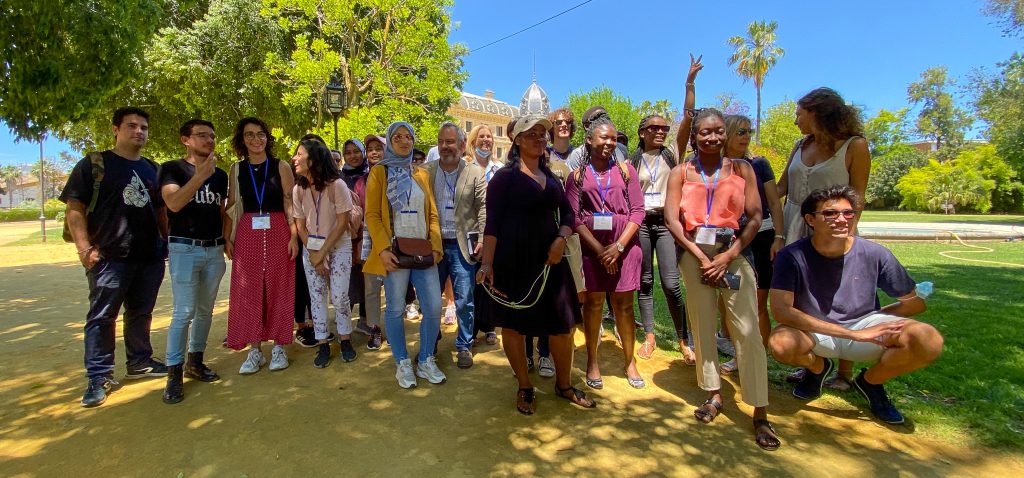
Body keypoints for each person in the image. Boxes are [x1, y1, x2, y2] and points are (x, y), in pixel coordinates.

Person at [769, 185, 942, 424]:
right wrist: (853, 333)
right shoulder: (791, 256)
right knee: (781, 343)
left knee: (928, 340)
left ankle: (871, 382)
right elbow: (781, 311)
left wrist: (875, 319)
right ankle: (818, 369)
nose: (842, 219)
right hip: (816, 331)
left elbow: (914, 304)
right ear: (810, 219)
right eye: (830, 213)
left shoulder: (875, 253)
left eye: (848, 213)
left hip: (865, 327)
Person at [664, 108, 779, 450]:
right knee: (702, 324)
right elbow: (672, 220)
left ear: (724, 135)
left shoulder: (742, 169)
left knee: (747, 330)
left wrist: (727, 257)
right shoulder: (681, 172)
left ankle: (760, 410)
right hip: (694, 255)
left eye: (717, 131)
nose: (711, 137)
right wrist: (701, 258)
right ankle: (714, 393)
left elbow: (755, 216)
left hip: (733, 252)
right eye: (704, 132)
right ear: (695, 136)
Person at [477, 115, 596, 414]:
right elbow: (492, 225)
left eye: (543, 133)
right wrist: (487, 265)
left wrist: (560, 239)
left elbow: (568, 214)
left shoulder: (552, 177)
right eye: (531, 133)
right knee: (514, 328)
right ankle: (524, 386)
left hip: (551, 262)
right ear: (517, 139)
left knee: (562, 327)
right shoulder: (504, 178)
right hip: (513, 262)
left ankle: (563, 385)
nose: (539, 138)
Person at [61, 107, 169, 408]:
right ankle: (99, 375)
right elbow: (74, 208)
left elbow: (161, 211)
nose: (139, 132)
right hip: (109, 256)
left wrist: (166, 243)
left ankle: (140, 361)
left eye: (143, 127)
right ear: (116, 129)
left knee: (141, 312)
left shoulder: (152, 168)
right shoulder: (95, 164)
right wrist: (84, 248)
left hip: (149, 257)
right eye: (132, 126)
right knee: (102, 316)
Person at [776, 87, 870, 389]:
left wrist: (847, 238)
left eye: (799, 114)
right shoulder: (800, 145)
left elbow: (858, 196)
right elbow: (780, 189)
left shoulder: (854, 146)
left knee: (841, 296)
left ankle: (845, 373)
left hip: (834, 229)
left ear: (815, 112)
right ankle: (813, 362)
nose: (796, 121)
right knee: (802, 296)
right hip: (795, 225)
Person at [629, 54, 703, 364]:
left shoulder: (673, 153)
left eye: (664, 127)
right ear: (642, 132)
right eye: (654, 128)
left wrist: (689, 84)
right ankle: (649, 336)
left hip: (667, 224)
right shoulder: (631, 162)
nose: (661, 131)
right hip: (642, 223)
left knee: (672, 284)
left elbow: (688, 119)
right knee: (645, 281)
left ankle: (684, 339)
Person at [364, 121, 446, 388]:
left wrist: (436, 247)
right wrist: (382, 249)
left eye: (408, 136)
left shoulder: (421, 173)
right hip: (394, 252)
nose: (403, 141)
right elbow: (372, 215)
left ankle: (425, 359)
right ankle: (402, 361)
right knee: (396, 308)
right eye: (397, 137)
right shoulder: (379, 172)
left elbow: (432, 214)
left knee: (433, 307)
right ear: (389, 141)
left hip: (423, 251)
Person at [567, 117, 646, 390]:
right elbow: (574, 217)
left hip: (625, 247)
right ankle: (592, 360)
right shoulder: (577, 176)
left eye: (613, 138)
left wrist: (619, 247)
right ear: (589, 140)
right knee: (593, 304)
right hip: (593, 250)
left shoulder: (626, 171)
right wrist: (601, 250)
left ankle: (630, 361)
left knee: (624, 306)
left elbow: (638, 211)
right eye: (604, 137)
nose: (609, 143)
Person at [159, 119, 228, 404]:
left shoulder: (220, 175)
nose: (209, 140)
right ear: (185, 139)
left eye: (212, 136)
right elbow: (173, 203)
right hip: (185, 248)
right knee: (183, 312)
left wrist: (227, 241)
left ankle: (195, 361)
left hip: (214, 249)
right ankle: (173, 373)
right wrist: (200, 176)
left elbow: (222, 211)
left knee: (205, 310)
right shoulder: (172, 169)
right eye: (201, 135)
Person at [225, 117, 298, 374]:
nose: (256, 139)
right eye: (249, 134)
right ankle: (254, 349)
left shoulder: (281, 166)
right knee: (248, 289)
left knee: (280, 285)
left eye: (260, 134)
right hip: (248, 229)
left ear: (267, 137)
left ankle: (279, 346)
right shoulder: (236, 169)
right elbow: (232, 205)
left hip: (278, 227)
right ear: (242, 139)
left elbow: (290, 202)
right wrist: (227, 237)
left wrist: (294, 236)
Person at [717, 114, 786, 375]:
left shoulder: (760, 164)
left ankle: (758, 359)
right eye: (741, 131)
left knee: (757, 301)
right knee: (730, 300)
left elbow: (774, 202)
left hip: (762, 237)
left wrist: (779, 237)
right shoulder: (716, 165)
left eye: (749, 131)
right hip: (729, 238)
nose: (746, 137)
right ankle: (738, 354)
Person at [423, 122, 487, 369]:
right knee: (430, 301)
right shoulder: (426, 172)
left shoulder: (475, 173)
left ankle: (464, 345)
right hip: (433, 246)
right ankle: (430, 344)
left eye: (449, 142)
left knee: (464, 299)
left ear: (461, 145)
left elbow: (483, 209)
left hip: (462, 247)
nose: (444, 146)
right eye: (441, 142)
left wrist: (482, 239)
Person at [293, 139, 357, 368]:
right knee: (316, 296)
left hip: (338, 247)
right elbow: (300, 225)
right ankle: (322, 343)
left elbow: (342, 223)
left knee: (339, 296)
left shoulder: (337, 185)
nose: (294, 159)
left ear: (313, 159)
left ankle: (345, 338)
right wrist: (314, 254)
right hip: (311, 249)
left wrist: (322, 253)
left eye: (299, 154)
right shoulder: (298, 189)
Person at [342, 139, 381, 349]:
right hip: (355, 238)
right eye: (348, 152)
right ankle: (348, 327)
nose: (353, 156)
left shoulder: (377, 175)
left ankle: (371, 323)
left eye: (357, 151)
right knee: (355, 284)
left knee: (375, 284)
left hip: (382, 237)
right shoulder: (346, 180)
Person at [465, 124, 501, 345]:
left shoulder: (499, 169)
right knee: (471, 280)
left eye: (489, 136)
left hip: (494, 230)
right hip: (470, 231)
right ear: (473, 141)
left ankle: (489, 326)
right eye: (481, 136)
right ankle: (471, 328)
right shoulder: (464, 167)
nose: (486, 140)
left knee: (490, 279)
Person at [294, 133, 329, 348]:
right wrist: (308, 247)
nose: (296, 158)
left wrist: (321, 251)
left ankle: (320, 327)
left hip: (328, 243)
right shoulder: (298, 183)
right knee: (302, 284)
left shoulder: (332, 182)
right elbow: (297, 219)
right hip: (304, 241)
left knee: (324, 290)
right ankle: (302, 326)